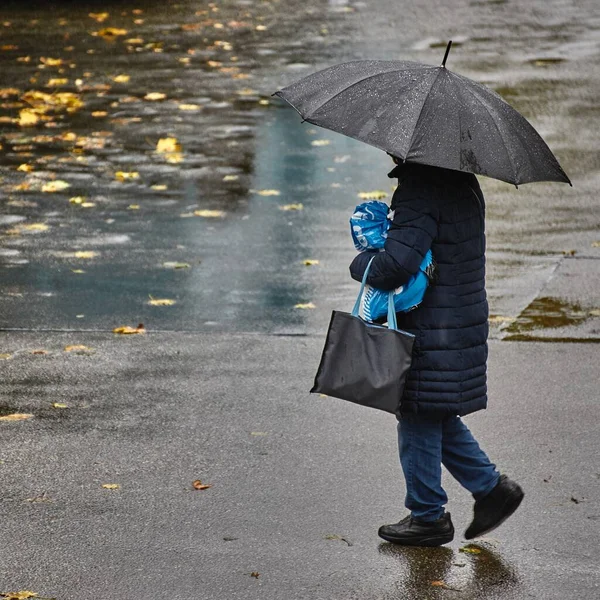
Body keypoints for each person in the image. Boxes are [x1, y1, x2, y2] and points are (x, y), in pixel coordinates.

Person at [349, 156, 524, 547]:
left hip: (431, 325)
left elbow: (395, 265)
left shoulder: (420, 188)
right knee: (430, 410)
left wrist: (360, 261)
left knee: (416, 411)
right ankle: (491, 488)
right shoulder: (461, 180)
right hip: (456, 318)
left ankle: (427, 515)